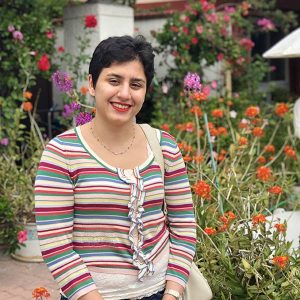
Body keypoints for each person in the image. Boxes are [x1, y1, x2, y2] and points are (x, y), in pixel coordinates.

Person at [34, 35, 196, 300]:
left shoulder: (164, 146)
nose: (124, 93)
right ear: (91, 84)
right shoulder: (61, 153)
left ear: (146, 90)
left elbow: (184, 228)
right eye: (114, 80)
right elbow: (56, 244)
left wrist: (173, 293)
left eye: (136, 84)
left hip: (161, 293)